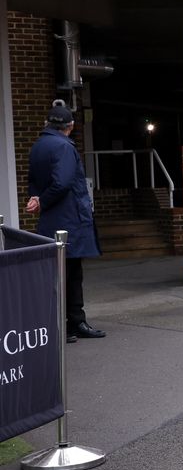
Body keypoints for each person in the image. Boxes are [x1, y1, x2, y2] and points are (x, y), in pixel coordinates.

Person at [25, 99, 106, 343]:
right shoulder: (64, 147)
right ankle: (74, 323)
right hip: (69, 218)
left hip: (52, 219)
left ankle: (66, 324)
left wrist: (37, 198)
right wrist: (42, 201)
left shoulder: (38, 146)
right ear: (69, 126)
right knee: (71, 273)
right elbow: (63, 182)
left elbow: (33, 180)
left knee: (61, 273)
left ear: (47, 123)